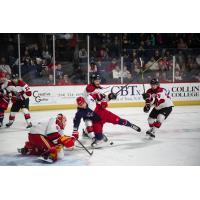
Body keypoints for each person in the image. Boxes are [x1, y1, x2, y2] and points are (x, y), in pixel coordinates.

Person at [72, 96, 141, 148]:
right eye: (80, 105)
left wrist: (107, 99)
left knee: (120, 121)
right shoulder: (79, 112)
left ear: (85, 101)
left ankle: (130, 125)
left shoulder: (90, 99)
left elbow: (100, 96)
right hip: (97, 122)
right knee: (99, 138)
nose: (82, 106)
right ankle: (92, 134)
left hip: (105, 114)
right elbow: (76, 121)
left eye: (83, 104)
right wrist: (75, 131)